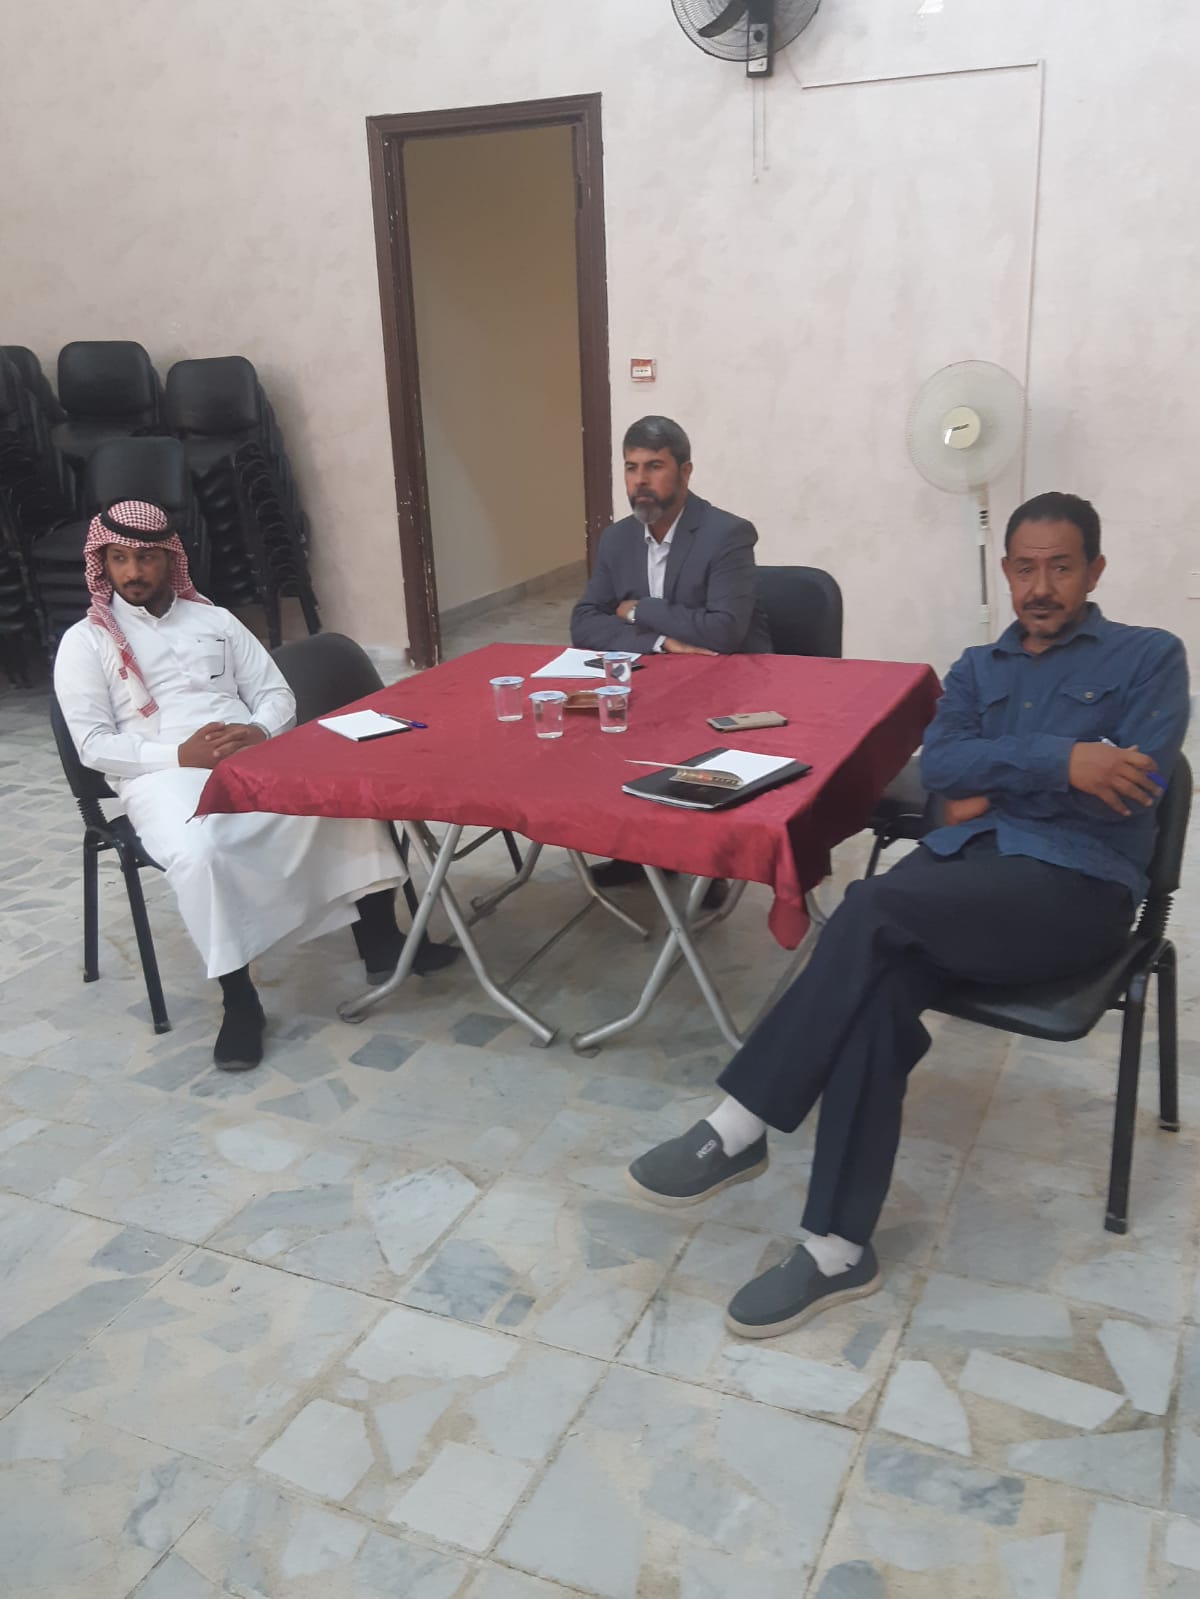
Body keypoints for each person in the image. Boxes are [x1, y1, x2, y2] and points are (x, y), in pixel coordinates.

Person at [625, 492, 1190, 1339]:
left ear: (1094, 571)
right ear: (1005, 572)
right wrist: (1066, 760)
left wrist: (1010, 780)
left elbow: (1131, 790)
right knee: (876, 986)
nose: (1040, 586)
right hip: (966, 880)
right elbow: (945, 766)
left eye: (1061, 567)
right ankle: (837, 1250)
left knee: (872, 906)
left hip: (1078, 890)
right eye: (1025, 568)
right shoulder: (976, 668)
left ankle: (739, 1124)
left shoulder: (1150, 657)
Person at [54, 500, 456, 1071]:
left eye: (145, 558)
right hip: (158, 771)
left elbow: (275, 694)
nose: (133, 572)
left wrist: (260, 730)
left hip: (248, 753)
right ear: (104, 564)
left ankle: (381, 941)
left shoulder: (215, 621)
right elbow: (93, 744)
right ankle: (240, 1000)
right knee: (201, 851)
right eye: (119, 559)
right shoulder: (86, 642)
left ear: (170, 559)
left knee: (340, 798)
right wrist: (180, 754)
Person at [572, 415, 772, 890]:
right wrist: (659, 641)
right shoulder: (617, 538)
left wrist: (639, 609)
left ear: (685, 472)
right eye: (631, 468)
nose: (640, 480)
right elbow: (584, 623)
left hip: (725, 685)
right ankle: (636, 852)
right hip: (652, 679)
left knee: (688, 741)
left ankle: (706, 864)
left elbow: (722, 632)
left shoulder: (727, 534)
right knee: (606, 734)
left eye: (654, 466)